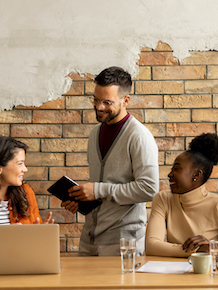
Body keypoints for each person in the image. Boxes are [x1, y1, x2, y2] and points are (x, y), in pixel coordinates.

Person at [61, 66, 159, 256]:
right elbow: (105, 188)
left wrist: (97, 190)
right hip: (89, 239)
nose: (99, 107)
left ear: (126, 100)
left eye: (107, 102)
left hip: (124, 243)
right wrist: (82, 200)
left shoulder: (139, 136)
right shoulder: (95, 133)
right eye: (96, 100)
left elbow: (149, 188)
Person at [146, 133, 218, 257]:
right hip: (173, 272)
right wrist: (195, 250)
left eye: (176, 169)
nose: (169, 174)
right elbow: (151, 246)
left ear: (196, 175)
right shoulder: (163, 199)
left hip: (207, 272)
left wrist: (213, 246)